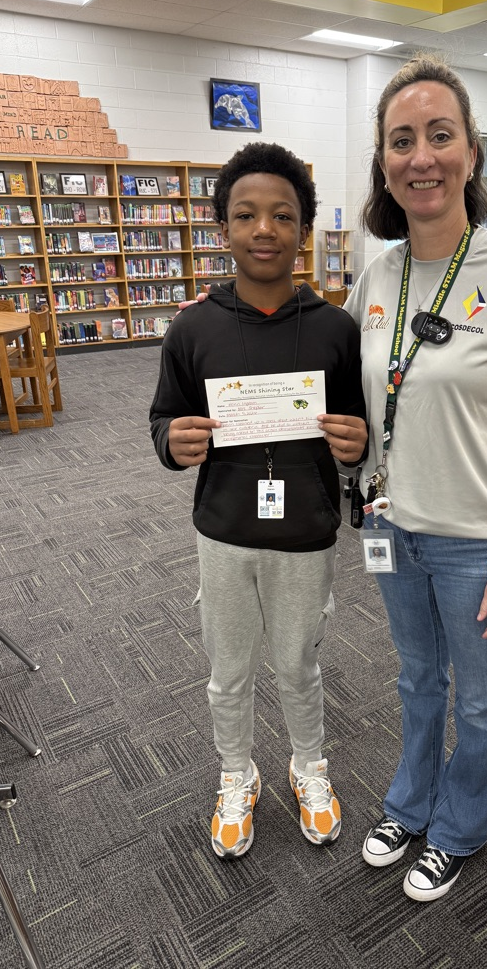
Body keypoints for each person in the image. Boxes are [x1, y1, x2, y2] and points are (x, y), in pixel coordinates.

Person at [343, 55, 487, 902]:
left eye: (440, 136)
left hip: (479, 540)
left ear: (472, 152)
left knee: (481, 702)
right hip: (388, 525)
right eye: (401, 140)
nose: (421, 157)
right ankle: (410, 802)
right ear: (384, 162)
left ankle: (461, 826)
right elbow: (371, 405)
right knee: (415, 679)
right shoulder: (374, 275)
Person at [150, 142, 367, 859]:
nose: (264, 228)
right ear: (223, 229)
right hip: (225, 529)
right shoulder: (192, 329)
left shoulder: (336, 329)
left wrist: (354, 443)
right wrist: (171, 440)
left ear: (304, 228)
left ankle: (310, 768)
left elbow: (358, 432)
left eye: (282, 214)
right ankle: (235, 774)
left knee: (299, 666)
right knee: (230, 671)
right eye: (246, 215)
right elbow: (165, 416)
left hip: (305, 529)